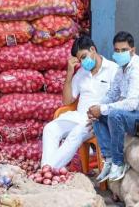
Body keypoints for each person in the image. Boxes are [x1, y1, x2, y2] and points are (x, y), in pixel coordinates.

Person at [41, 36, 118, 169]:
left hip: (98, 119)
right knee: (50, 129)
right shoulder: (81, 73)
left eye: (84, 57)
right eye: (80, 60)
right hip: (79, 115)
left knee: (76, 133)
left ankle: (48, 170)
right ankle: (47, 170)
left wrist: (102, 116)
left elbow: (120, 101)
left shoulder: (113, 70)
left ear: (93, 49)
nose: (83, 62)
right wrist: (70, 73)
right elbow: (67, 100)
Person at [88, 31, 139, 182]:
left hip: (136, 114)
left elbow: (132, 103)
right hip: (131, 114)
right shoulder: (120, 69)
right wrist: (96, 108)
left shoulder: (136, 70)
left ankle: (119, 162)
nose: (119, 53)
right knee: (97, 116)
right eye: (117, 50)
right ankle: (109, 159)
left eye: (124, 50)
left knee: (113, 114)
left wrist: (103, 109)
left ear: (132, 50)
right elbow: (112, 94)